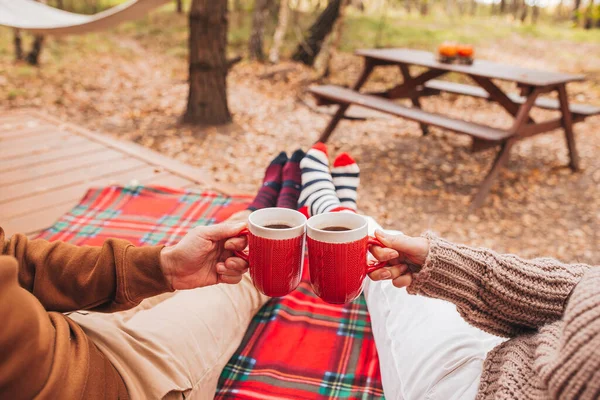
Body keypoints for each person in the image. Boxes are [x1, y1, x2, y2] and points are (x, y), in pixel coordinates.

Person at [297, 142, 599, 400]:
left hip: (471, 387)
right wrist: (445, 265)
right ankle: (339, 210)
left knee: (384, 277)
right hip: (519, 350)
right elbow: (580, 292)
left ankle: (331, 209)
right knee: (387, 246)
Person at [0, 151, 305, 400]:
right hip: (124, 381)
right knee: (238, 283)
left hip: (65, 329)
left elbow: (11, 257)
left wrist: (161, 266)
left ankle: (260, 211)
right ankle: (280, 213)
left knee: (211, 263)